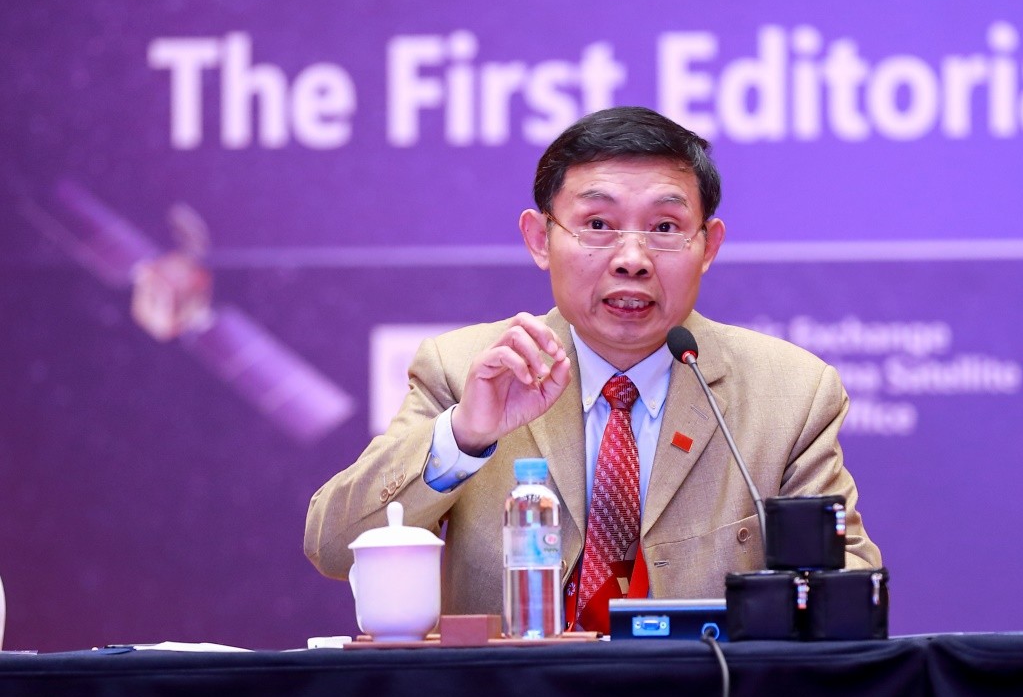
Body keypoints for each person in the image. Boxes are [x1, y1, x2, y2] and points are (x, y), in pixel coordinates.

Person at [304, 106, 880, 633]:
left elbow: (848, 587)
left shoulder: (790, 392)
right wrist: (464, 437)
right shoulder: (465, 371)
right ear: (540, 239)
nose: (632, 259)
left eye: (664, 228)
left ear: (708, 247)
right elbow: (333, 547)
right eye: (599, 225)